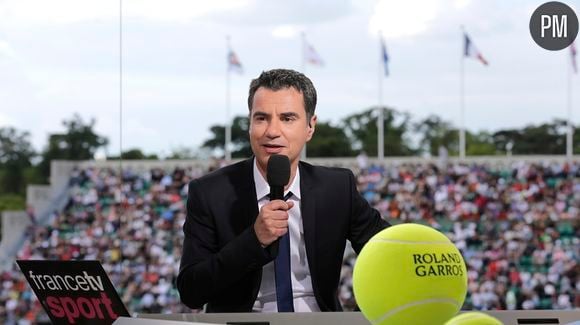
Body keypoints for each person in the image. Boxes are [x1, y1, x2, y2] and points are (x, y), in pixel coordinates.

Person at [177, 69, 389, 312]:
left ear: (310, 126)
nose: (272, 131)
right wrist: (253, 240)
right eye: (261, 118)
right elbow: (190, 291)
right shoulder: (210, 192)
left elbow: (390, 254)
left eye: (287, 118)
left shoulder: (337, 187)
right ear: (249, 124)